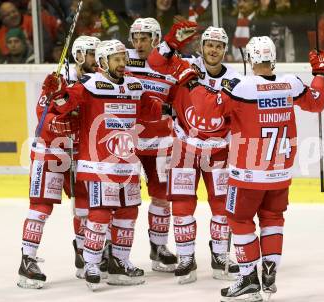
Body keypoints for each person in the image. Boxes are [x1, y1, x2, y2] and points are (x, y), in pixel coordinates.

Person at [187, 36, 324, 301]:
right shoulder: (291, 83)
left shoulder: (240, 85)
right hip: (280, 174)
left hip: (247, 174)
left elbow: (208, 112)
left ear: (250, 59)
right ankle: (270, 270)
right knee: (273, 219)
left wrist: (194, 84)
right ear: (273, 57)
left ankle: (248, 279)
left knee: (239, 220)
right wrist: (320, 73)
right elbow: (317, 102)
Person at [43, 39, 160, 291]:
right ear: (103, 62)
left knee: (129, 213)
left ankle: (121, 261)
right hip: (98, 166)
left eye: (123, 58)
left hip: (128, 163)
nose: (122, 63)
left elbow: (150, 110)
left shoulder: (134, 85)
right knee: (100, 214)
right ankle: (92, 264)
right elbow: (66, 105)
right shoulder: (89, 84)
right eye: (116, 59)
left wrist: (161, 104)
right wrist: (58, 92)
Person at [147, 22, 241, 284]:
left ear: (225, 49)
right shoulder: (186, 65)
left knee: (222, 207)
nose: (213, 50)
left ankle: (220, 256)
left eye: (219, 46)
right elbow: (155, 62)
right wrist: (171, 42)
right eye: (209, 45)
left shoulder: (235, 78)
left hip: (218, 150)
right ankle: (186, 258)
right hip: (184, 148)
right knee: (182, 205)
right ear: (201, 47)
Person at [17, 35, 99, 289]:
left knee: (85, 209)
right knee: (40, 208)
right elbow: (44, 119)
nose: (98, 60)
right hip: (51, 153)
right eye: (93, 54)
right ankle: (27, 260)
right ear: (79, 55)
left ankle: (84, 254)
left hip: (81, 154)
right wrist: (57, 99)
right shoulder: (58, 82)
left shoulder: (99, 83)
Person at [126, 17, 178, 273]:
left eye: (144, 38)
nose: (138, 43)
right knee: (122, 199)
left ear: (156, 39)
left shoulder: (172, 64)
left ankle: (158, 246)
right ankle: (114, 253)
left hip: (160, 142)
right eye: (135, 38)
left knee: (162, 196)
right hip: (128, 143)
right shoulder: (122, 59)